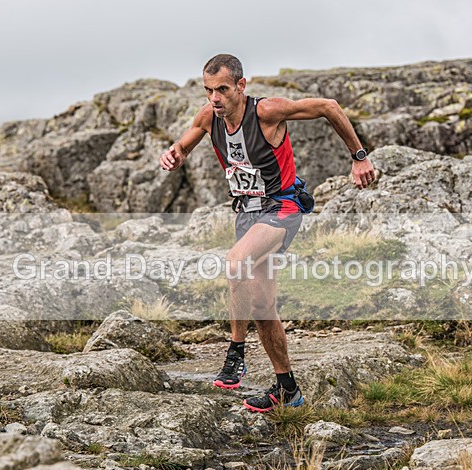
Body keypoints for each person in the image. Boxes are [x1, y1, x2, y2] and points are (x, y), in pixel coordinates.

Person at [159, 54, 376, 412]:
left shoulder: (266, 112)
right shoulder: (208, 117)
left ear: (241, 86)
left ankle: (235, 353)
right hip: (247, 214)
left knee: (236, 262)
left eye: (223, 90)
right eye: (209, 90)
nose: (215, 98)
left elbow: (328, 106)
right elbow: (184, 143)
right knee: (262, 306)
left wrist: (359, 156)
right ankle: (288, 389)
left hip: (282, 208)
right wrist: (176, 154)